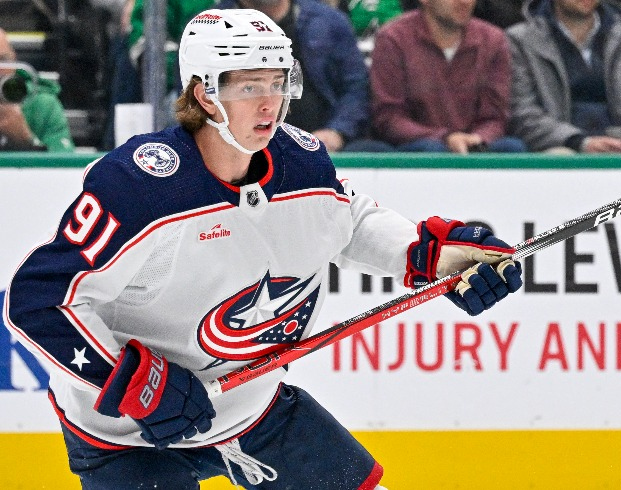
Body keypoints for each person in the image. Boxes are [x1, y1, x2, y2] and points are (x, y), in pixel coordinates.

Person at [3, 9, 522, 489]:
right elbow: (39, 301)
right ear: (204, 94)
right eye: (250, 85)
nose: (271, 102)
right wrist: (133, 383)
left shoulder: (300, 160)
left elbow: (347, 221)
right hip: (131, 436)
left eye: (278, 82)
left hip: (252, 409)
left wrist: (429, 255)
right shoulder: (142, 186)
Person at [506, 0, 621, 153]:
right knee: (561, 156)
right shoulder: (520, 39)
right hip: (560, 148)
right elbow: (522, 111)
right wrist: (579, 142)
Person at [368, 0, 527, 153]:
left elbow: (495, 117)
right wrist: (445, 138)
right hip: (419, 147)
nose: (465, 2)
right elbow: (389, 117)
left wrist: (478, 138)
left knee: (511, 147)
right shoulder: (393, 38)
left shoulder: (494, 40)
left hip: (476, 144)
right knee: (431, 150)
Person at [216, 0, 371, 153]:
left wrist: (336, 132)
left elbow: (356, 88)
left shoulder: (330, 22)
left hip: (321, 143)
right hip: (236, 144)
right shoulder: (210, 30)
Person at [0, 28, 74, 152]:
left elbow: (65, 162)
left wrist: (28, 140)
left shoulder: (42, 104)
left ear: (14, 59)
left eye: (3, 60)